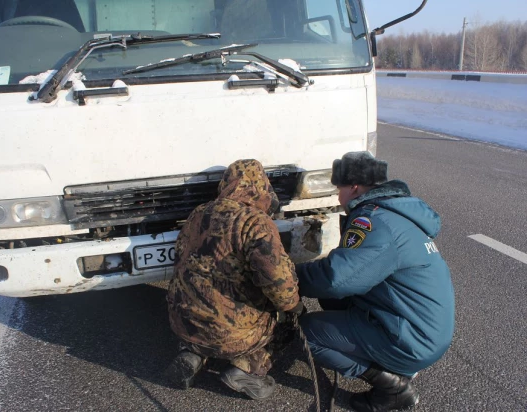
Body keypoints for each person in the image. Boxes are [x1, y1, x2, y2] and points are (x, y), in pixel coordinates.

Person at [296, 152, 455, 412]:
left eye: (339, 188)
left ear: (354, 187)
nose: (338, 196)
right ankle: (390, 358)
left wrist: (291, 278)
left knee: (307, 332)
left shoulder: (374, 221)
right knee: (331, 299)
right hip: (424, 328)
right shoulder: (394, 213)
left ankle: (392, 387)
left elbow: (337, 278)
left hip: (413, 338)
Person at [165, 159, 303, 400]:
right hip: (232, 336)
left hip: (183, 325)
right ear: (261, 186)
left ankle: (192, 354)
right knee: (287, 320)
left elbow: (179, 259)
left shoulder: (198, 213)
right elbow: (279, 284)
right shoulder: (254, 221)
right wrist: (294, 307)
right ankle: (246, 368)